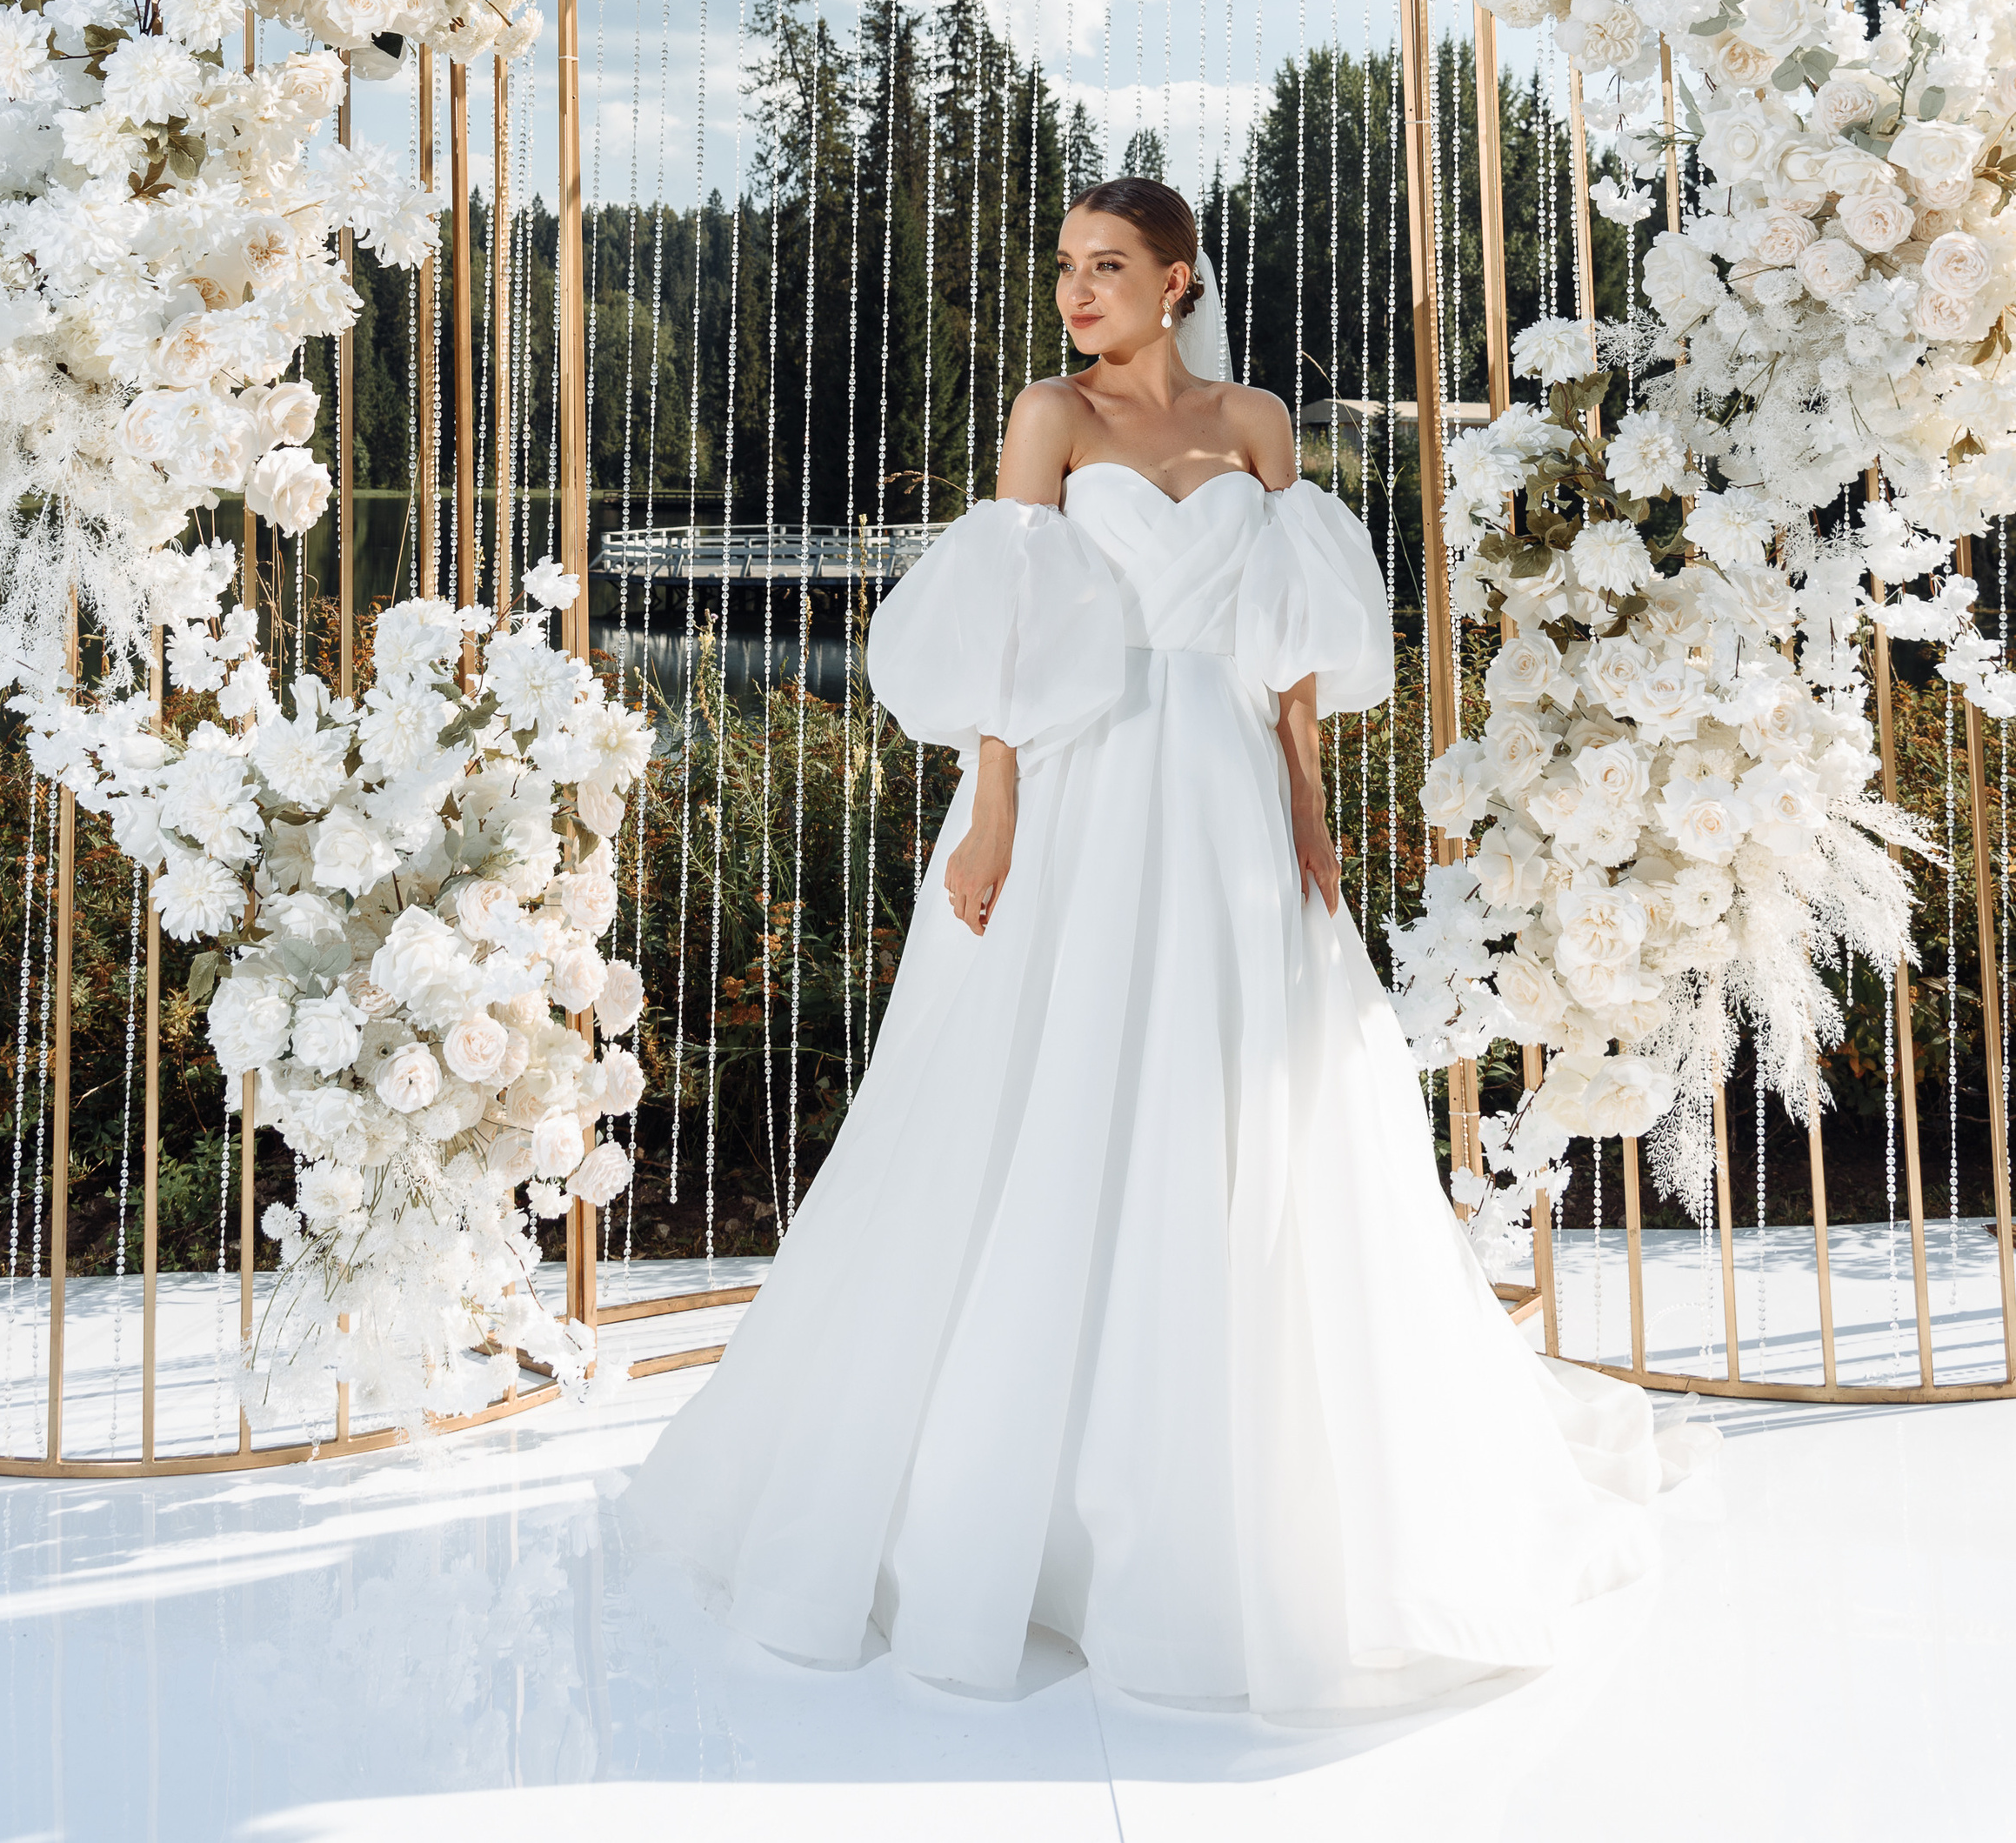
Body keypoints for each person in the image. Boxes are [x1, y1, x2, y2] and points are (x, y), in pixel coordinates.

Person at [624, 179, 1669, 1716]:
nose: (1077, 293)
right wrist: (991, 817)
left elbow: (1293, 651)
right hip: (1089, 778)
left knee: (1246, 1091)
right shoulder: (1048, 420)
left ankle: (1256, 1480)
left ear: (1179, 281)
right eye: (1064, 269)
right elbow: (1010, 633)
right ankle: (1009, 1503)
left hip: (1235, 792)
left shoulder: (1256, 425)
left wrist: (1312, 809)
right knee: (1046, 1085)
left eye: (1107, 268)